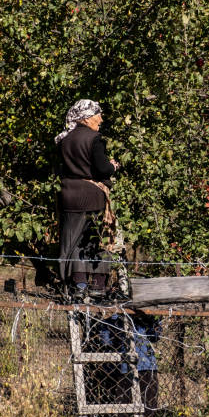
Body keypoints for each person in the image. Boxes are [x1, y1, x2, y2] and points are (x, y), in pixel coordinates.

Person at [55, 99, 119, 300]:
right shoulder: (95, 138)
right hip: (91, 196)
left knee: (73, 242)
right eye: (97, 115)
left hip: (68, 194)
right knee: (99, 240)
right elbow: (101, 169)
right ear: (86, 118)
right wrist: (113, 166)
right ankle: (98, 286)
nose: (100, 119)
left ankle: (78, 284)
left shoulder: (64, 139)